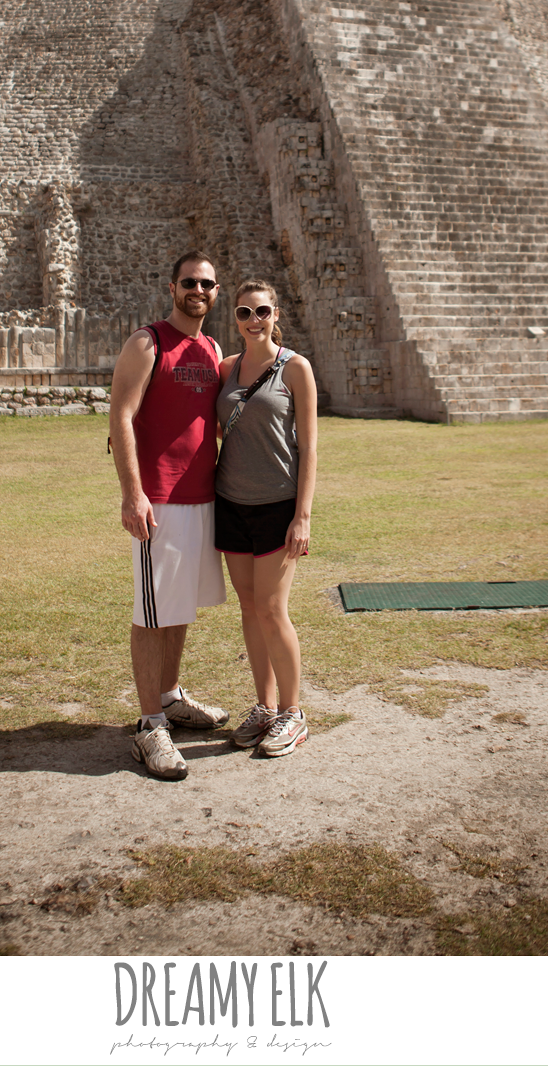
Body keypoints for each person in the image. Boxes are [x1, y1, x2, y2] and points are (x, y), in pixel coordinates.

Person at [109, 251, 229, 781]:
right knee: (152, 612)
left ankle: (170, 695)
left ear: (216, 291)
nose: (197, 290)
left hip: (203, 496)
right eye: (189, 282)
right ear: (172, 287)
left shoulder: (213, 348)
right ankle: (150, 724)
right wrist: (132, 494)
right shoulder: (147, 342)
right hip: (159, 499)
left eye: (206, 283)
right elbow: (120, 415)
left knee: (178, 606)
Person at [214, 278, 318, 758]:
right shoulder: (226, 368)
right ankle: (265, 706)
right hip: (231, 502)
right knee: (250, 609)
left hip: (277, 503)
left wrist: (303, 516)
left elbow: (309, 448)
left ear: (276, 314)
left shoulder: (295, 368)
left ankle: (293, 714)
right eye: (244, 312)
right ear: (234, 318)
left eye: (261, 311)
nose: (253, 320)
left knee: (273, 610)